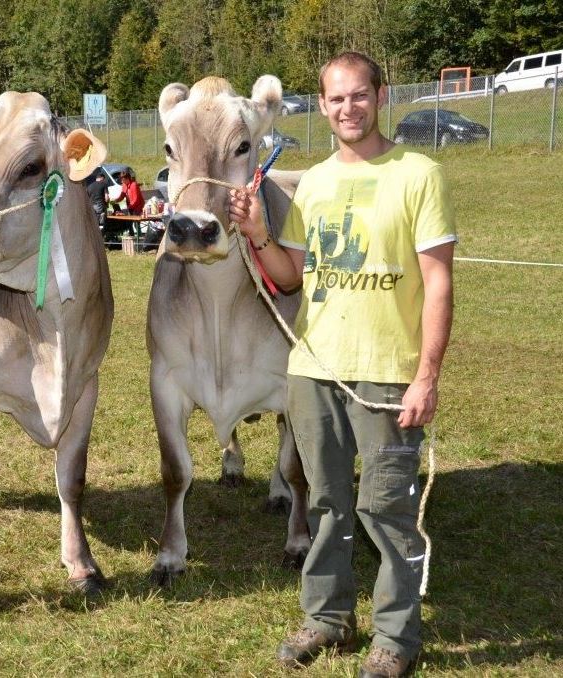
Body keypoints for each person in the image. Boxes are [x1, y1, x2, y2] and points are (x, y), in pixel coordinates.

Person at [229, 51, 456, 678]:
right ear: (323, 106)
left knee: (386, 509)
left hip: (386, 371)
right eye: (336, 99)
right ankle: (328, 618)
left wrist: (427, 375)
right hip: (313, 369)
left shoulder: (419, 173)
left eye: (359, 96)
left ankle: (395, 638)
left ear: (380, 96)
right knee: (325, 502)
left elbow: (438, 283)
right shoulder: (318, 181)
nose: (348, 108)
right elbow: (289, 277)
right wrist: (257, 236)